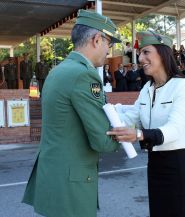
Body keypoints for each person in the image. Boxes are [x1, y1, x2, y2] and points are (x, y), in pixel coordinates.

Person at [22, 9, 121, 217]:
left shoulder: (58, 71)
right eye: (109, 44)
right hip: (71, 183)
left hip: (52, 177)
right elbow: (102, 140)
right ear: (96, 39)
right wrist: (133, 133)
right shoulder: (84, 75)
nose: (108, 51)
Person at [107, 30, 185, 217]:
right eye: (140, 53)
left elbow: (175, 129)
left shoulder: (183, 86)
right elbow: (132, 116)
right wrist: (100, 112)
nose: (140, 58)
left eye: (146, 52)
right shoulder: (147, 88)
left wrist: (140, 135)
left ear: (163, 53)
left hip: (179, 165)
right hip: (155, 164)